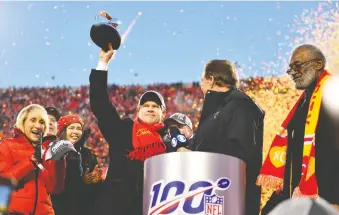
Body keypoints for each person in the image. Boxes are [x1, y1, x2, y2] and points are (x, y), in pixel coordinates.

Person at [89, 43, 186, 215]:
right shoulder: (124, 130)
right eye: (146, 105)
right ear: (138, 110)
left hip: (155, 208)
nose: (150, 108)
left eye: (155, 106)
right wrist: (103, 64)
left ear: (163, 112)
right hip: (115, 208)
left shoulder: (171, 137)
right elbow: (101, 106)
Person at [258, 44, 339, 214]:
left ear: (318, 64)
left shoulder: (333, 96)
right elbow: (293, 155)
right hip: (295, 196)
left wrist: (335, 199)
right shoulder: (302, 104)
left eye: (298, 66)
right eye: (290, 69)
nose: (293, 73)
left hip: (326, 200)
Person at [181, 59, 265, 215]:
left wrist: (195, 155)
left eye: (202, 80)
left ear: (211, 80)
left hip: (231, 203)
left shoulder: (242, 105)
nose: (201, 86)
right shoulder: (219, 109)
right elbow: (210, 143)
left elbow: (239, 153)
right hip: (209, 199)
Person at [0, 104, 66, 215]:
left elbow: (55, 189)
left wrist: (59, 161)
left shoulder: (47, 150)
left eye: (41, 122)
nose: (38, 125)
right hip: (15, 212)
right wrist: (31, 162)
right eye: (33, 120)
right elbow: (3, 181)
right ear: (23, 122)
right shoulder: (7, 145)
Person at [51, 114, 102, 215]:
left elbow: (95, 193)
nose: (75, 131)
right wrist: (82, 182)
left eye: (79, 128)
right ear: (63, 131)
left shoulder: (88, 154)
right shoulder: (54, 150)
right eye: (71, 128)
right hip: (60, 209)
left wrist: (95, 182)